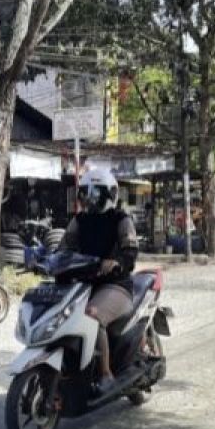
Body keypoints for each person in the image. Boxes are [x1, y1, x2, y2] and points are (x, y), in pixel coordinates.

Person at [59, 168, 139, 395]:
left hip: (116, 285)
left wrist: (116, 262)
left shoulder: (121, 220)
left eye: (97, 193)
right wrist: (49, 259)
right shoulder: (80, 220)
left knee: (92, 315)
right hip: (84, 284)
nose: (91, 198)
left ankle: (106, 373)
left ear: (110, 194)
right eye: (87, 193)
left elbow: (130, 252)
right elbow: (64, 247)